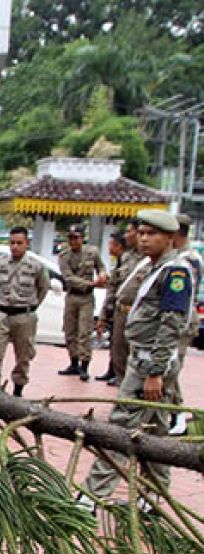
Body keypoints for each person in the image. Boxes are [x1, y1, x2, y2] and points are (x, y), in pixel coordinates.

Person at [78, 209, 194, 514]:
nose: (143, 239)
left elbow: (171, 324)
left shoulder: (175, 272)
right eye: (141, 233)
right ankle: (153, 498)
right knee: (155, 433)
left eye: (151, 234)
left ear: (170, 238)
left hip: (149, 366)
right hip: (144, 361)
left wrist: (154, 373)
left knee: (120, 428)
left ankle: (91, 496)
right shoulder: (156, 267)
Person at [0, 227, 49, 397]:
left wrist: (30, 307)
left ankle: (18, 388)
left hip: (24, 316)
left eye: (19, 243)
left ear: (27, 244)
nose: (15, 246)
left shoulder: (36, 266)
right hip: (3, 314)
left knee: (23, 355)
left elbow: (43, 288)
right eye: (12, 243)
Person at [57, 224, 107, 381]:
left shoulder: (92, 253)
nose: (73, 241)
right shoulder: (64, 256)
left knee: (84, 332)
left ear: (82, 238)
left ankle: (84, 366)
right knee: (70, 331)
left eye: (76, 237)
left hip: (86, 298)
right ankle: (73, 362)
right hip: (73, 295)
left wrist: (102, 275)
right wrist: (91, 284)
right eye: (70, 238)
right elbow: (68, 277)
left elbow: (101, 267)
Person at [98, 220, 145, 386]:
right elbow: (113, 287)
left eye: (129, 231)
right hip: (121, 312)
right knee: (118, 353)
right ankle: (121, 385)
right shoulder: (125, 257)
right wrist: (105, 314)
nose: (126, 235)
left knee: (137, 357)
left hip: (140, 313)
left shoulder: (149, 259)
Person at [171, 214, 202, 433]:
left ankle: (179, 415)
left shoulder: (188, 260)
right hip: (178, 320)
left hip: (181, 321)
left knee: (171, 367)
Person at [94, 230, 129, 383]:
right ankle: (112, 370)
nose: (109, 247)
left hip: (126, 309)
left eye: (111, 243)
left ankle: (118, 373)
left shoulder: (130, 261)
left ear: (118, 245)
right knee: (115, 342)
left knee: (121, 344)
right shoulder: (119, 261)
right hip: (116, 308)